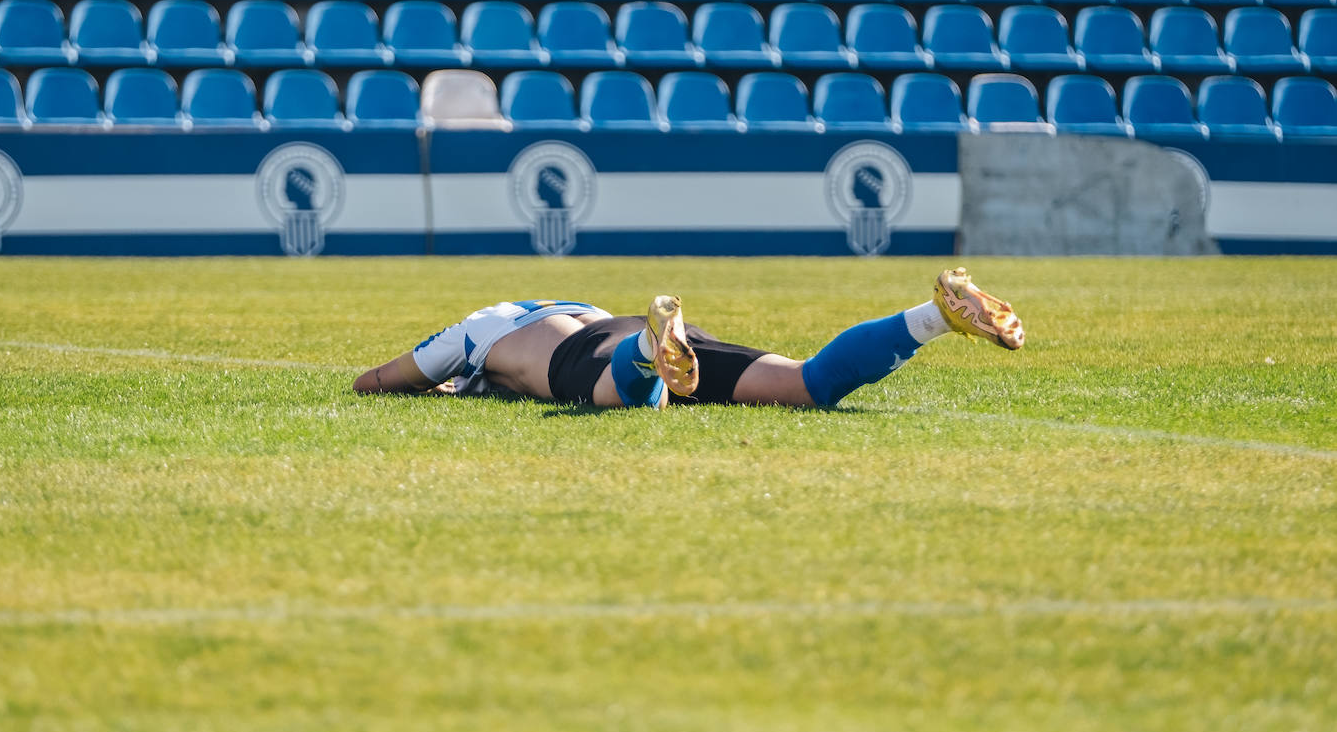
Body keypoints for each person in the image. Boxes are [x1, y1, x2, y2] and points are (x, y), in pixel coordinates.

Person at [353, 268, 1025, 409]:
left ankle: (651, 349)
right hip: (618, 329)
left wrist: (439, 380)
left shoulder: (481, 326)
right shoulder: (573, 302)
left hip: (582, 354)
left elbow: (377, 381)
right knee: (806, 383)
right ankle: (935, 315)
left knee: (619, 400)